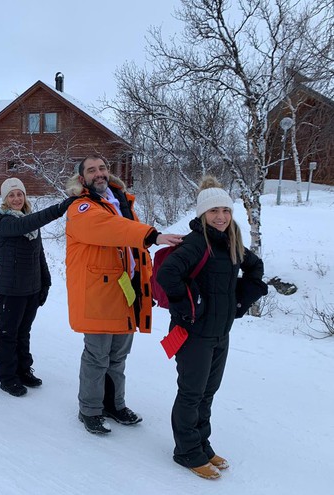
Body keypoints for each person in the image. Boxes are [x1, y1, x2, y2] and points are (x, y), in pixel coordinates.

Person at [156, 177, 266, 480]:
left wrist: (239, 302)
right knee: (191, 393)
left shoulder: (230, 241)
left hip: (220, 332)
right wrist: (189, 309)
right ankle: (187, 452)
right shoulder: (196, 243)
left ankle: (202, 445)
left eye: (226, 210)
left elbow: (255, 268)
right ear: (203, 214)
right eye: (214, 211)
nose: (221, 216)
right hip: (194, 334)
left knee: (208, 393)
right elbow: (168, 275)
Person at [65, 154, 182, 435]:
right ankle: (90, 410)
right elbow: (111, 230)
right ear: (82, 179)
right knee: (97, 356)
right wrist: (153, 235)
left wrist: (148, 283)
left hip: (126, 292)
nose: (99, 173)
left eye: (102, 167)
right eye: (91, 170)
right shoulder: (81, 207)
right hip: (98, 294)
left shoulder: (122, 203)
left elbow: (136, 252)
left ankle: (114, 405)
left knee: (118, 356)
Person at [0, 178, 75, 396]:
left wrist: (45, 283)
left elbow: (39, 255)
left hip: (30, 289)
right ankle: (8, 377)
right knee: (7, 333)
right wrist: (60, 208)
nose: (16, 199)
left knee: (23, 332)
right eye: (11, 195)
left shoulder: (30, 223)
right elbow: (26, 225)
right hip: (9, 290)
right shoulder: (4, 223)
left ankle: (23, 370)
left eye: (19, 194)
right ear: (5, 200)